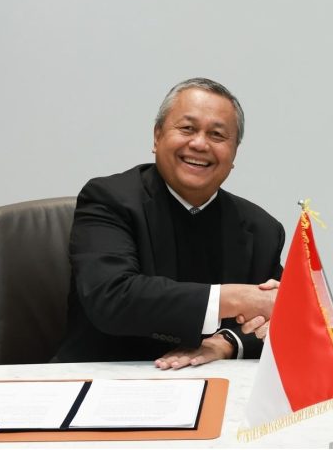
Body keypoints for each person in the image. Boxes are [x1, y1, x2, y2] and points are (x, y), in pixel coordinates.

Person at [53, 78, 284, 369]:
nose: (199, 144)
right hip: (105, 377)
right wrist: (234, 299)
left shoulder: (261, 229)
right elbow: (112, 297)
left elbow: (279, 317)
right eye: (187, 128)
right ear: (157, 136)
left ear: (234, 152)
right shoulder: (109, 199)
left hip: (216, 381)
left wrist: (226, 342)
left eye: (217, 135)